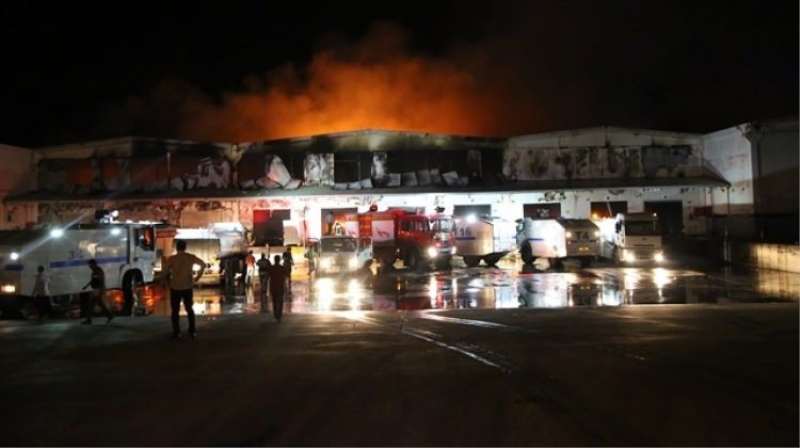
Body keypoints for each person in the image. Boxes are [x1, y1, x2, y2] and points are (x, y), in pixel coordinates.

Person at [163, 239, 205, 339]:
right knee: (189, 309)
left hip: (175, 287)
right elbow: (202, 265)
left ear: (176, 248)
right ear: (185, 247)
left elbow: (164, 273)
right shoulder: (190, 257)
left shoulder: (172, 259)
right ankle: (192, 330)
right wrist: (197, 277)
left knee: (175, 311)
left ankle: (176, 332)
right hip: (187, 286)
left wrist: (167, 283)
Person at [81, 259, 114, 324]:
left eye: (90, 265)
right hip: (96, 289)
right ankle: (110, 315)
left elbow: (101, 281)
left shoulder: (98, 271)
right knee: (100, 304)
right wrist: (86, 286)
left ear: (93, 264)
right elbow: (92, 280)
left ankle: (89, 319)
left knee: (91, 304)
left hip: (98, 289)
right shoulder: (94, 271)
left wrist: (101, 290)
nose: (89, 266)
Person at [266, 254, 287, 322]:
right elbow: (285, 277)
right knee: (280, 302)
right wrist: (286, 287)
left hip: (273, 287)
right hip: (280, 287)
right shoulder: (282, 268)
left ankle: (276, 315)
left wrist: (265, 287)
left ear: (274, 260)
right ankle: (279, 316)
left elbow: (267, 278)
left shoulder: (271, 268)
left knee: (274, 302)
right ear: (279, 260)